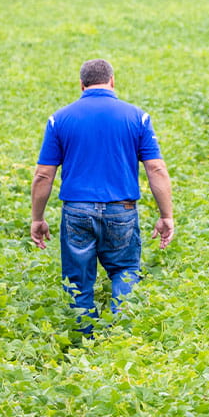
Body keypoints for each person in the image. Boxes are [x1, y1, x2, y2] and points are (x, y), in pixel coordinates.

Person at [31, 59, 174, 333]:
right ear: (112, 81)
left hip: (77, 211)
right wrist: (166, 215)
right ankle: (120, 338)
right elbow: (155, 168)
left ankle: (85, 344)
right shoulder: (137, 117)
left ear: (81, 85)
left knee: (78, 280)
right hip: (122, 209)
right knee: (125, 270)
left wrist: (37, 218)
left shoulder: (59, 119)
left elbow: (43, 175)